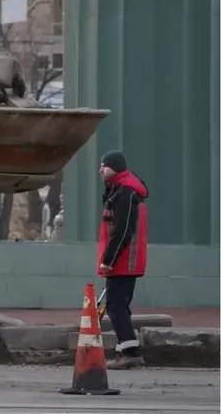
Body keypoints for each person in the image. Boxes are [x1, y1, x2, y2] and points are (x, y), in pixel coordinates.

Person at [97, 150, 148, 369]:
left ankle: (131, 354)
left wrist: (108, 260)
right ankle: (123, 351)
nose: (101, 169)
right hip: (125, 260)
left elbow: (122, 231)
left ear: (116, 168)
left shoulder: (125, 193)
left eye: (105, 165)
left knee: (116, 307)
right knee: (120, 306)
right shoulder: (118, 190)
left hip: (124, 261)